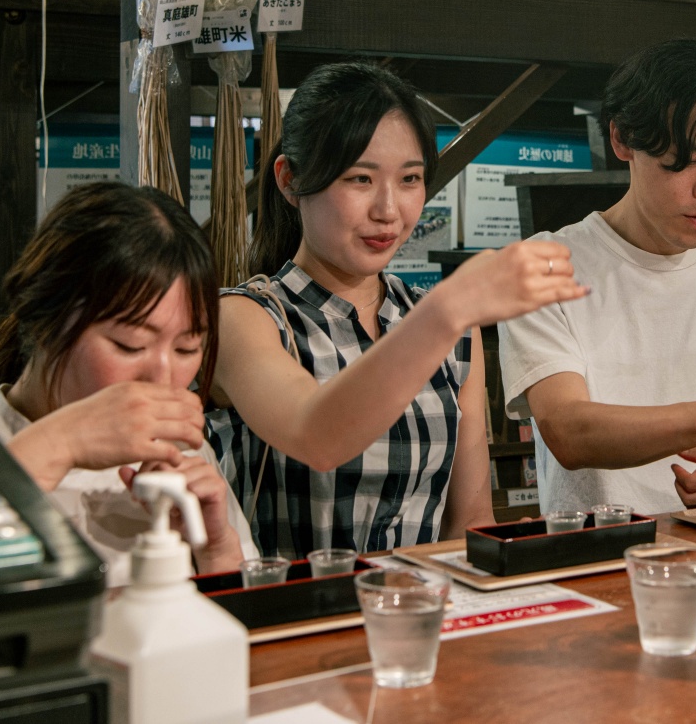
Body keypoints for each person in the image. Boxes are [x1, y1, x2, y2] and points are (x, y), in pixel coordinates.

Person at [210, 62, 586, 559]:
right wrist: (449, 308)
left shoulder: (451, 330)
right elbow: (316, 434)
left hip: (416, 615)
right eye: (360, 178)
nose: (389, 210)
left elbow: (469, 523)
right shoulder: (245, 319)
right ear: (289, 180)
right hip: (294, 622)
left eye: (410, 178)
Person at [497, 39, 696, 516]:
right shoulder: (545, 264)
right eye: (686, 161)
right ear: (623, 139)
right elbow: (569, 431)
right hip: (596, 555)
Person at [0, 182, 257, 587]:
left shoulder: (181, 454)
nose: (162, 379)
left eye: (186, 349)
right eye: (130, 345)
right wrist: (64, 441)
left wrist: (215, 549)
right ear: (44, 321)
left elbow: (248, 635)